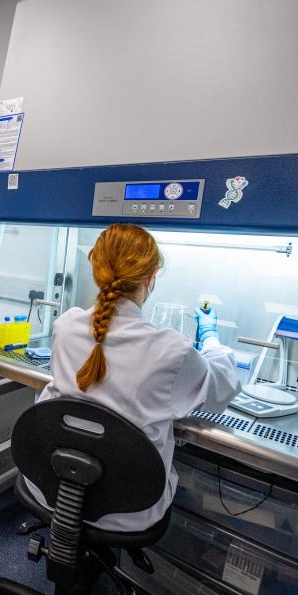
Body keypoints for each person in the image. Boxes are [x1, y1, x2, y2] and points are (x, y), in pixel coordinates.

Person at [26, 223, 241, 532]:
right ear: (150, 279)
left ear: (96, 271)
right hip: (130, 509)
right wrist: (210, 339)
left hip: (52, 485)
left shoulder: (67, 325)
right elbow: (224, 389)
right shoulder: (171, 350)